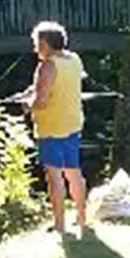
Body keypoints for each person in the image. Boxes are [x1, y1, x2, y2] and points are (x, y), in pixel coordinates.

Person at [27, 21, 87, 236]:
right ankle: (81, 218)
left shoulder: (48, 65)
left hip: (51, 126)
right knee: (74, 172)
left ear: (44, 43)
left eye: (36, 43)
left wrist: (27, 104)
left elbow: (42, 100)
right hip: (72, 123)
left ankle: (60, 224)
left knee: (54, 176)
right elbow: (58, 86)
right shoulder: (74, 60)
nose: (35, 48)